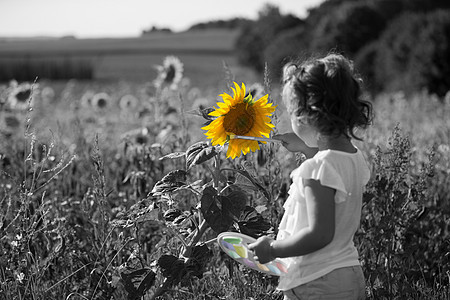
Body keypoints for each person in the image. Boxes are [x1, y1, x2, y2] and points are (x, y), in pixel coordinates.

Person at [248, 53, 373, 300]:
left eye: (292, 114)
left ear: (308, 116)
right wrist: (307, 147)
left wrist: (272, 249)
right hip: (347, 274)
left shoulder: (314, 170)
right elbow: (330, 166)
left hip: (315, 281)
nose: (291, 121)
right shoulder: (355, 158)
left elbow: (320, 233)